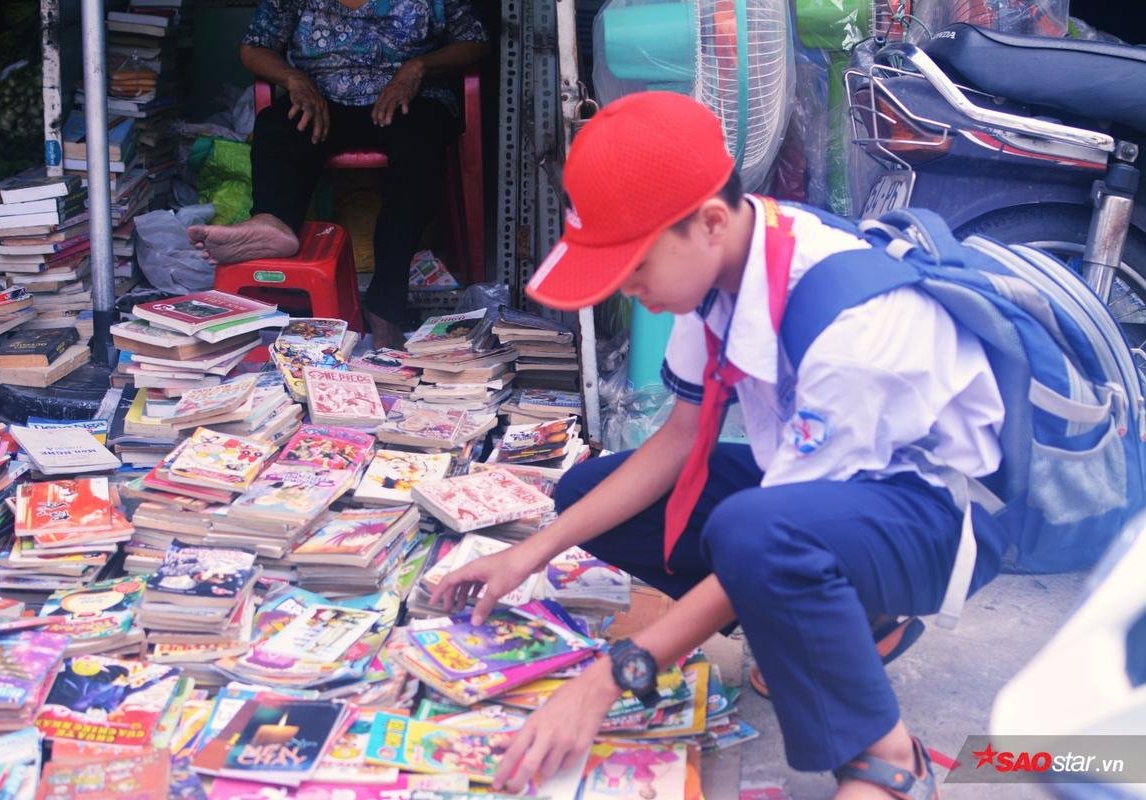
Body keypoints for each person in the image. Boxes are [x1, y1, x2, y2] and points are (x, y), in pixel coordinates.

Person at [430, 92, 1014, 799]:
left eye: (635, 269)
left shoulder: (852, 333)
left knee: (756, 533)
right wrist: (525, 555)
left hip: (943, 521)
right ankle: (848, 625)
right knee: (585, 494)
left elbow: (774, 533)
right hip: (827, 494)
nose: (630, 291)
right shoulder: (727, 265)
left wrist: (609, 678)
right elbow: (678, 441)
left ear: (708, 221)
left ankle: (888, 758)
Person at [187, 0, 489, 350]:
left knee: (421, 151)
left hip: (409, 98)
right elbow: (255, 46)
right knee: (278, 128)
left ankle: (385, 307)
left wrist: (418, 67)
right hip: (320, 96)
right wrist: (293, 78)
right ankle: (273, 223)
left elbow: (475, 41)